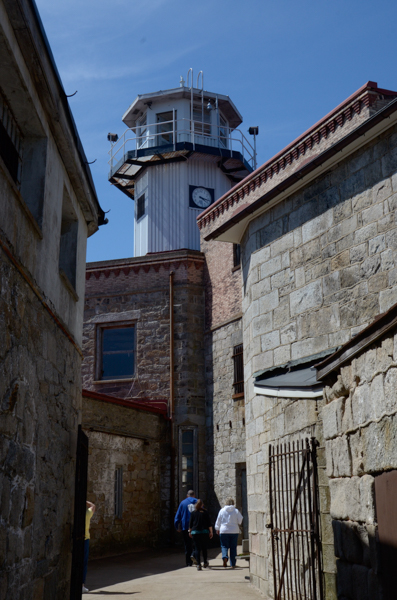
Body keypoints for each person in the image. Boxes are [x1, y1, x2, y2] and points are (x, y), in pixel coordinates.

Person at [215, 498, 243, 569]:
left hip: (224, 530)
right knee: (233, 547)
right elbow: (240, 520)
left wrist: (217, 528)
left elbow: (218, 521)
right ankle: (232, 564)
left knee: (224, 546)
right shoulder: (236, 511)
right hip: (234, 531)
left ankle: (225, 557)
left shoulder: (222, 510)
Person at [174, 490, 198, 566]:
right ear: (194, 495)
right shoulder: (198, 502)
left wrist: (177, 526)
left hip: (185, 526)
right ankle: (195, 556)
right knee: (196, 543)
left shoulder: (183, 503)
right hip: (196, 526)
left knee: (187, 545)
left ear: (187, 496)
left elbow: (178, 516)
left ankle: (188, 562)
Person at [188, 499, 213, 570]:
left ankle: (198, 564)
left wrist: (189, 532)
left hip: (195, 532)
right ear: (202, 505)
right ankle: (205, 562)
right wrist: (211, 532)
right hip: (204, 532)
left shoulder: (193, 513)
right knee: (204, 548)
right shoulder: (205, 512)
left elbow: (190, 525)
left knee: (197, 549)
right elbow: (209, 524)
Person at [83, 500, 96, 594]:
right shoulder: (87, 514)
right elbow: (93, 506)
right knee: (83, 563)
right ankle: (81, 585)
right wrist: (85, 501)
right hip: (85, 539)